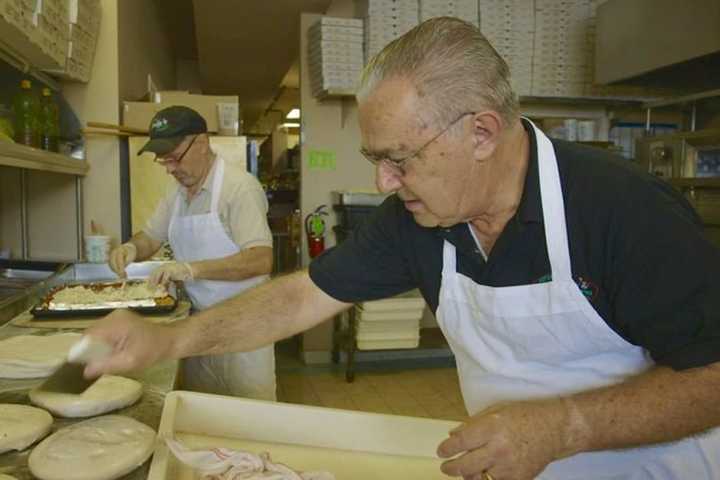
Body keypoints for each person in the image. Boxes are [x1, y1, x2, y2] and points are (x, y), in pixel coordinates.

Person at [90, 18, 720, 480]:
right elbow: (303, 296)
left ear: (481, 132)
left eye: (399, 159)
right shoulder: (417, 221)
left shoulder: (624, 212)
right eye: (375, 160)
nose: (383, 184)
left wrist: (565, 426)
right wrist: (170, 341)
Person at [108, 105, 276, 401]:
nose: (171, 168)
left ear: (201, 143)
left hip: (245, 330)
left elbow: (260, 259)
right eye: (164, 161)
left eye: (174, 157)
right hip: (199, 326)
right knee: (203, 416)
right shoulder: (176, 194)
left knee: (248, 423)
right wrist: (131, 247)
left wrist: (190, 270)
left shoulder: (239, 189)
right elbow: (150, 237)